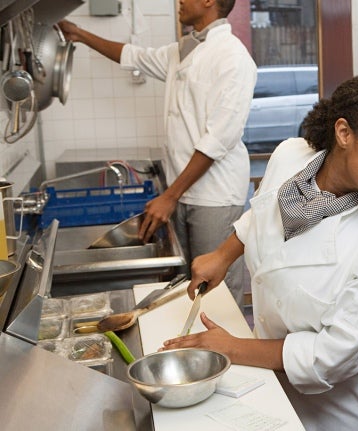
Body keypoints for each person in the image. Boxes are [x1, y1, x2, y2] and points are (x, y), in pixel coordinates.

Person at [160, 73, 358, 431]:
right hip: (270, 387)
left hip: (341, 414)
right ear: (344, 134)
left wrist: (232, 348)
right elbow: (262, 212)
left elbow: (331, 357)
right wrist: (222, 255)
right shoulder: (290, 157)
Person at [58, 0, 257, 310]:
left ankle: (223, 355)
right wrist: (80, 34)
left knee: (216, 290)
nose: (179, 1)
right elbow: (131, 55)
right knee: (186, 284)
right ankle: (194, 353)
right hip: (182, 190)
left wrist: (170, 196)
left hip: (215, 195)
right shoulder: (183, 50)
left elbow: (219, 139)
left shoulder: (233, 57)